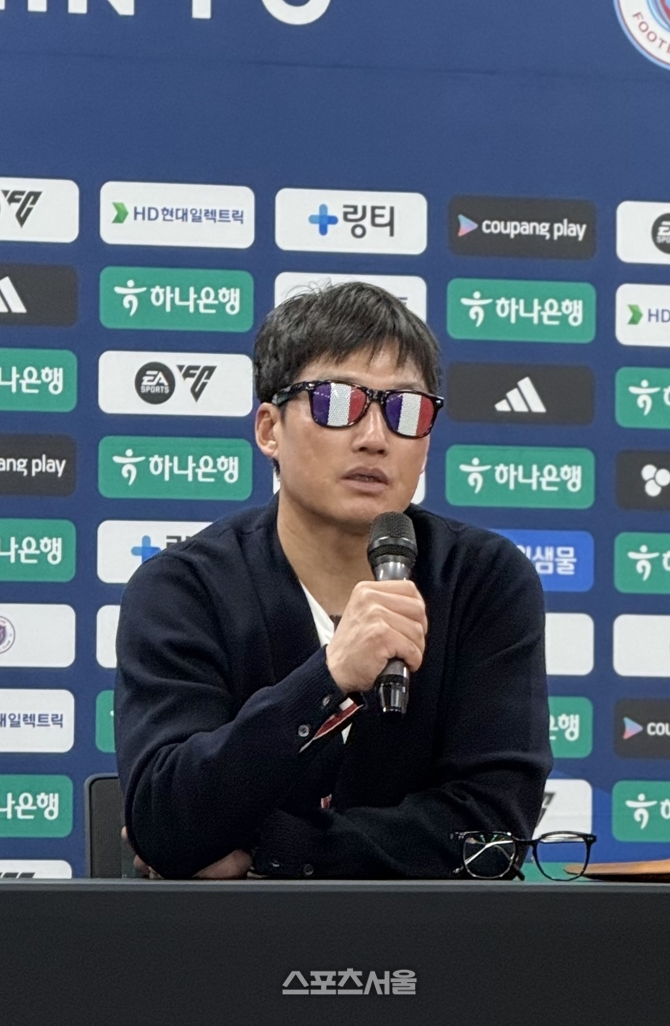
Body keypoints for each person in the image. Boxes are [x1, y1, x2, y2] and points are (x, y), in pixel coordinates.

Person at [115, 282, 552, 880]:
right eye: (337, 402)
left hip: (434, 937)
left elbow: (492, 833)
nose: (374, 437)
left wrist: (273, 849)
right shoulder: (182, 588)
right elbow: (164, 821)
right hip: (224, 938)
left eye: (405, 410)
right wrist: (330, 675)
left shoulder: (484, 580)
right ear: (269, 429)